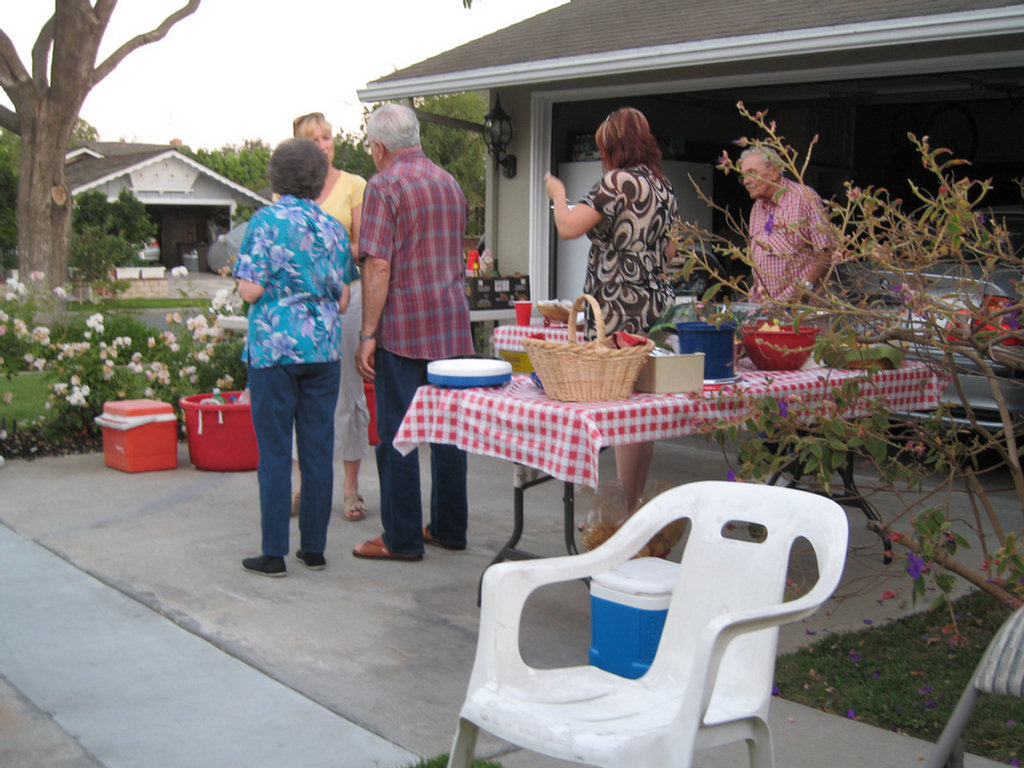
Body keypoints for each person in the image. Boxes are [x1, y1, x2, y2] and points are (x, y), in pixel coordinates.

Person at [353, 103, 474, 562]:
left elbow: (379, 264)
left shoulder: (383, 186)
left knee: (399, 433)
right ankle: (448, 528)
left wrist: (368, 333)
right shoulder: (450, 184)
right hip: (452, 327)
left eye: (370, 148)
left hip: (404, 329)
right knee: (448, 432)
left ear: (380, 147)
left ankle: (401, 538)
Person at [543, 106, 679, 511]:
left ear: (614, 148)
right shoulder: (662, 185)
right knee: (641, 415)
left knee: (620, 408)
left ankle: (620, 512)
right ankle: (632, 504)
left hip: (619, 307)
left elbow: (568, 227)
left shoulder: (617, 181)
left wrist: (557, 195)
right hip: (655, 304)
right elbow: (671, 250)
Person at [234, 138, 353, 577]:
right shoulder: (333, 227)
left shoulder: (264, 222)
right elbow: (342, 299)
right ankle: (315, 549)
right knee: (319, 449)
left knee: (276, 452)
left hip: (273, 351)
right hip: (322, 351)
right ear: (319, 180)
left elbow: (252, 288)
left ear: (276, 177)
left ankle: (273, 552)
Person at [291, 111, 372, 523]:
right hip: (300, 305)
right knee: (301, 393)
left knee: (346, 392)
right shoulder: (288, 193)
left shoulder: (355, 185)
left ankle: (351, 487)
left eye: (327, 137)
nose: (323, 144)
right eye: (314, 139)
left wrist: (321, 253)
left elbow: (363, 246)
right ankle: (305, 485)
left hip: (346, 296)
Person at [738, 146, 834, 302]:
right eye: (743, 176)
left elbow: (826, 252)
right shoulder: (757, 207)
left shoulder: (803, 197)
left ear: (774, 171)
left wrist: (805, 288)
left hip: (800, 307)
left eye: (752, 173)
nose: (746, 181)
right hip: (766, 306)